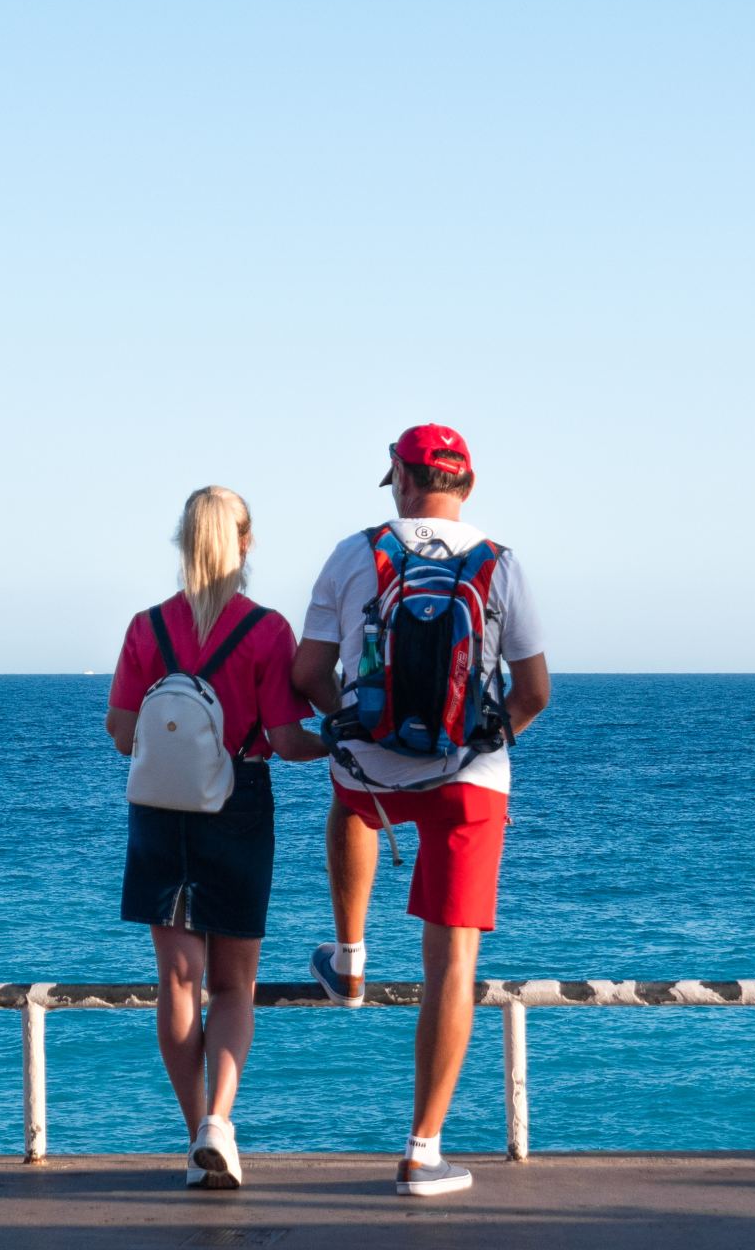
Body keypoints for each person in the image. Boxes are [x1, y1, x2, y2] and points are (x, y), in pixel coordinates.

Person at [291, 425, 551, 1198]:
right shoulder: (500, 564)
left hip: (371, 771)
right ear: (465, 483)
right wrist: (483, 740)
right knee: (453, 966)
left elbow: (309, 669)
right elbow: (535, 692)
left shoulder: (354, 552)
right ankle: (420, 1153)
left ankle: (350, 959)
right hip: (470, 782)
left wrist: (357, 723)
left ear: (402, 480)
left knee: (350, 806)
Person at [105, 485, 328, 1191]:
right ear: (247, 543)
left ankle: (195, 1128)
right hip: (238, 804)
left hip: (160, 812)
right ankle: (220, 1126)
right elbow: (288, 740)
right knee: (234, 986)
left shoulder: (147, 628)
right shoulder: (266, 632)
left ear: (180, 542)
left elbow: (119, 735)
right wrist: (344, 746)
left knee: (178, 982)